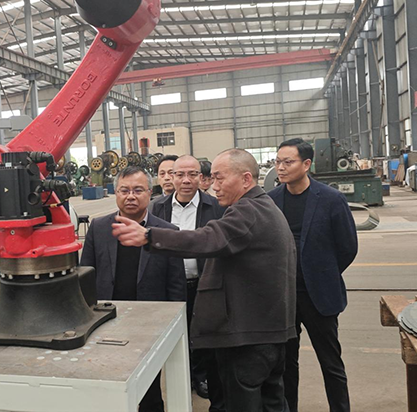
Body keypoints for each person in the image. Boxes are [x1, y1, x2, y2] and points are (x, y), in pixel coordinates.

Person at [112, 149, 296, 412]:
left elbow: (208, 238)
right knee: (271, 404)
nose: (214, 185)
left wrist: (149, 236)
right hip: (266, 333)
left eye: (220, 178)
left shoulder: (248, 210)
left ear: (246, 179)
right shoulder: (263, 207)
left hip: (248, 340)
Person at [80, 165, 186, 412]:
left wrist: (177, 326)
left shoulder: (166, 232)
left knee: (149, 387)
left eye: (138, 190)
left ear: (150, 193)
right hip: (106, 319)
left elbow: (176, 284)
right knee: (108, 381)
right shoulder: (99, 227)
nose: (130, 196)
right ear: (115, 193)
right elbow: (86, 274)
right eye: (124, 190)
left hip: (149, 323)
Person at [268, 138, 357, 412]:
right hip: (284, 297)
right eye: (278, 162)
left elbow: (347, 247)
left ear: (306, 164)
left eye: (288, 162)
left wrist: (322, 273)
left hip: (320, 297)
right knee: (286, 364)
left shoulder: (331, 199)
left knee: (331, 363)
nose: (281, 168)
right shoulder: (272, 200)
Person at [150, 155, 225, 407]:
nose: (186, 180)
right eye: (180, 174)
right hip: (171, 287)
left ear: (201, 178)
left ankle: (203, 379)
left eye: (192, 174)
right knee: (172, 340)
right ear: (171, 177)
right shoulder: (157, 208)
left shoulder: (216, 207)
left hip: (204, 285)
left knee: (205, 338)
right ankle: (181, 381)